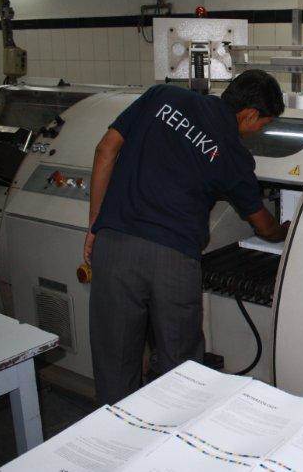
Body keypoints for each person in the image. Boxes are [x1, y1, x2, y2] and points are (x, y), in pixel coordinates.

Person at [84, 70, 288, 405]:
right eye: (263, 123)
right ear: (249, 114)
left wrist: (96, 224)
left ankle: (116, 443)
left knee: (114, 358)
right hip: (172, 260)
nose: (260, 130)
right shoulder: (233, 156)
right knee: (179, 364)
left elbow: (105, 150)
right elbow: (263, 227)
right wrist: (286, 230)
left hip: (115, 244)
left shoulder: (163, 97)